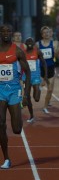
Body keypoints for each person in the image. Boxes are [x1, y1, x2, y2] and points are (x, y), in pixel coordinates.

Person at [0, 24, 31, 169]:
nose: (6, 33)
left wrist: (26, 94)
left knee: (17, 129)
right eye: (3, 31)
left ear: (11, 33)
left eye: (8, 31)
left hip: (14, 90)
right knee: (0, 124)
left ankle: (18, 117)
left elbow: (28, 73)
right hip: (0, 91)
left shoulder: (18, 51)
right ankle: (6, 158)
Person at [22, 37, 49, 122]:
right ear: (25, 43)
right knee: (27, 97)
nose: (30, 43)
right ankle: (31, 115)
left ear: (34, 43)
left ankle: (38, 90)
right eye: (28, 41)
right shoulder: (22, 53)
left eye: (31, 41)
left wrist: (45, 76)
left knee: (36, 98)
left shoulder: (37, 52)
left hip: (35, 76)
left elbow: (44, 64)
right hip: (26, 77)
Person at [36, 26, 59, 114]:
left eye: (48, 32)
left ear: (50, 34)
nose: (46, 34)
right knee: (39, 88)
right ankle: (39, 88)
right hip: (41, 69)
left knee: (50, 90)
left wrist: (58, 49)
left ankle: (45, 107)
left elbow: (56, 56)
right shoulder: (38, 44)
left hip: (51, 68)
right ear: (42, 35)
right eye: (44, 33)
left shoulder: (53, 44)